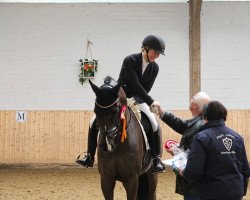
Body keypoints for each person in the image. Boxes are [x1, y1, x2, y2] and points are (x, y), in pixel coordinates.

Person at [76, 34, 166, 173]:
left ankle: (156, 159)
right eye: (155, 52)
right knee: (93, 121)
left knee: (154, 124)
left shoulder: (155, 68)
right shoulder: (130, 60)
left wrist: (144, 101)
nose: (157, 56)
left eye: (159, 54)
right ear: (146, 49)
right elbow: (135, 84)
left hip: (138, 100)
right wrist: (152, 101)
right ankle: (89, 155)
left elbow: (146, 88)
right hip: (121, 97)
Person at [179, 100, 250, 200]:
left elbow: (194, 173)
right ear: (224, 116)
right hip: (235, 193)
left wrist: (183, 172)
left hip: (211, 193)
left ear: (205, 117)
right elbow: (245, 170)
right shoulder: (238, 137)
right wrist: (241, 192)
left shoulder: (201, 138)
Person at [157, 92, 211, 200]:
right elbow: (181, 124)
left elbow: (195, 153)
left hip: (195, 183)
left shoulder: (200, 125)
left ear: (195, 105)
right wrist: (162, 113)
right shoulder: (197, 122)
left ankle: (155, 160)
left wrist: (178, 151)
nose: (190, 99)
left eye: (193, 98)